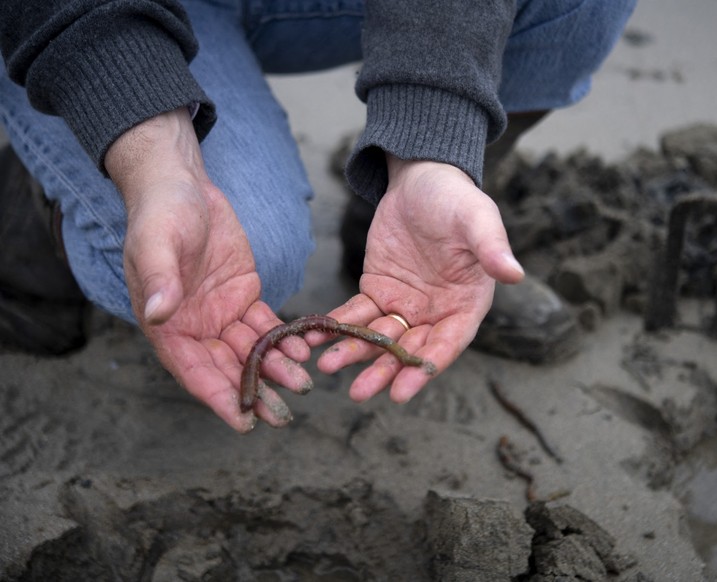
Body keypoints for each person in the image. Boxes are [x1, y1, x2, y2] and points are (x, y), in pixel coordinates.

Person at [0, 0, 636, 432]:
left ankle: (401, 214)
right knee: (241, 256)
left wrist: (429, 150)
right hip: (89, 18)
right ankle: (44, 208)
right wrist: (155, 169)